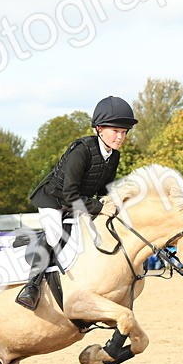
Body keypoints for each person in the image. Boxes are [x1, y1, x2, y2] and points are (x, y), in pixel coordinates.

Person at [15, 95, 138, 310]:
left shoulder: (113, 155)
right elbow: (70, 194)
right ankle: (31, 286)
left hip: (78, 203)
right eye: (116, 131)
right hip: (54, 200)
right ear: (99, 128)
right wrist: (100, 207)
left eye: (124, 132)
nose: (120, 137)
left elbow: (103, 189)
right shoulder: (81, 151)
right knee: (56, 236)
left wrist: (117, 200)